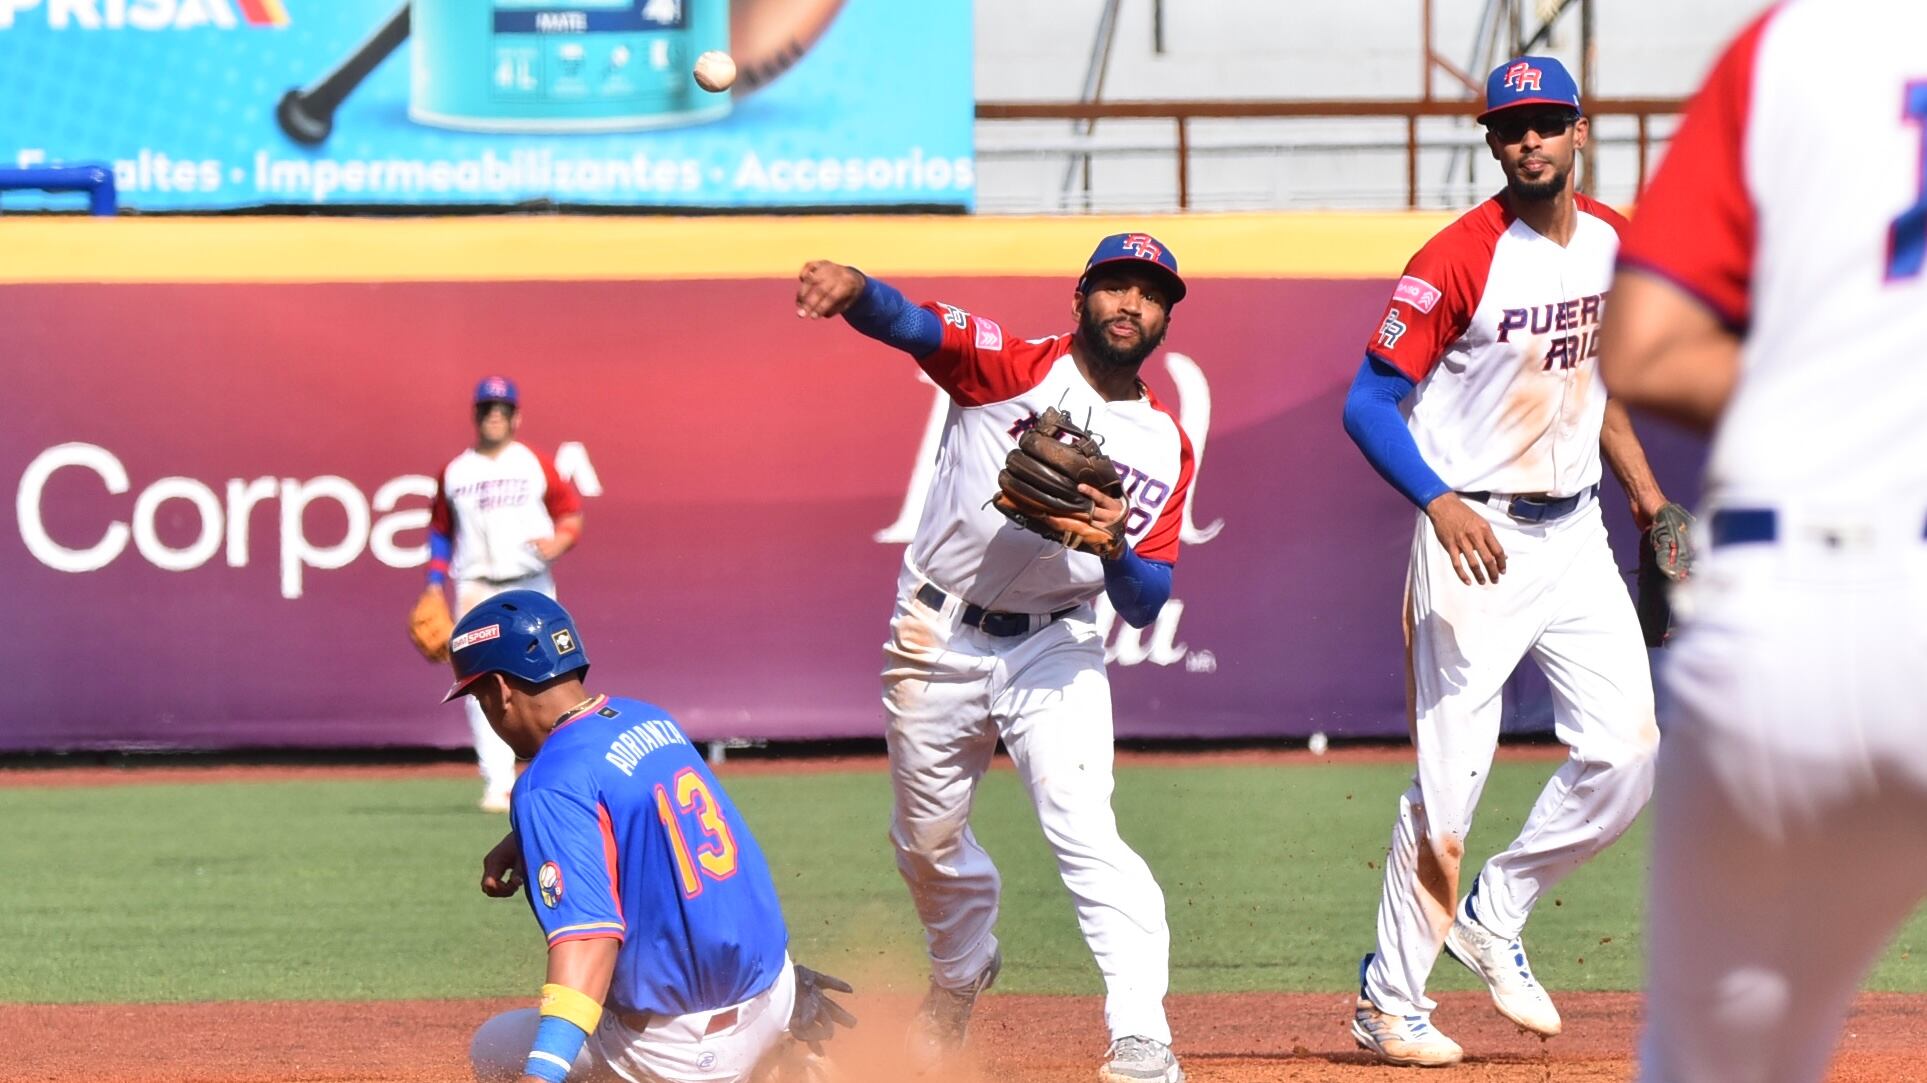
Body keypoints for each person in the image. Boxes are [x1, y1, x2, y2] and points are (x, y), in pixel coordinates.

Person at [1598, 4, 1927, 1080]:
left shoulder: (1788, 48)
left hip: (1780, 611)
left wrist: (1834, 404)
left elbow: (1641, 354)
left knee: (1719, 1063)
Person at [792, 234, 1197, 1083]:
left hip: (1055, 642)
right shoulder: (1010, 367)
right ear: (1080, 296)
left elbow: (1145, 598)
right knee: (927, 846)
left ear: (1165, 316)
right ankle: (960, 970)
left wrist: (1118, 545)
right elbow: (913, 324)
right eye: (1115, 286)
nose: (1130, 303)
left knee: (1085, 825)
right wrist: (855, 286)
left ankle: (1140, 1034)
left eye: (1149, 294)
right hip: (935, 634)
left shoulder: (1163, 441)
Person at [1338, 55, 1671, 1067]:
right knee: (1450, 788)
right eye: (1508, 125)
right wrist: (1437, 502)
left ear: (1580, 130)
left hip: (1573, 533)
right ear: (1490, 142)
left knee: (1628, 752)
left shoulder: (1613, 242)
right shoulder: (1455, 258)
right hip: (1471, 534)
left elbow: (1597, 384)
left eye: (1545, 120)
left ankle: (1498, 907)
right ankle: (1387, 1003)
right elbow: (1364, 402)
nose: (1527, 137)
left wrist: (1649, 501)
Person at [449, 590, 853, 1083]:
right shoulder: (649, 719)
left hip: (676, 1053)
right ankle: (778, 1060)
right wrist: (524, 839)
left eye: (478, 695)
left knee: (495, 1048)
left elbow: (589, 941)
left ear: (500, 687)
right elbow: (646, 813)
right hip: (774, 991)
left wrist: (542, 1075)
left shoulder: (546, 784)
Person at [424, 375, 584, 812]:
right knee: (481, 686)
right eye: (487, 408)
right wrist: (434, 585)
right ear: (475, 414)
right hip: (475, 586)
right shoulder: (456, 471)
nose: (494, 415)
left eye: (503, 409)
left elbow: (570, 513)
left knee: (550, 678)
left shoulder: (533, 462)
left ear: (517, 416)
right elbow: (440, 531)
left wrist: (562, 540)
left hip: (529, 583)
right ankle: (499, 782)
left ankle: (557, 772)